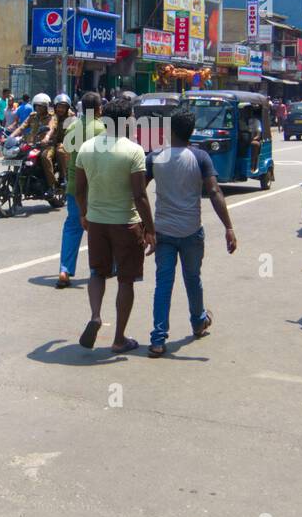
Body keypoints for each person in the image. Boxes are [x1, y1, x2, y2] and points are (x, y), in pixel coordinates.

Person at [145, 109, 238, 356]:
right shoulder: (200, 157)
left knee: (163, 284)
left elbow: (137, 191)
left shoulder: (155, 157)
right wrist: (228, 227)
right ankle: (198, 322)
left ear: (169, 130)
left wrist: (144, 226)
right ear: (191, 131)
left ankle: (157, 338)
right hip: (191, 232)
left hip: (162, 231)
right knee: (192, 279)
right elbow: (215, 192)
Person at [74, 99, 156, 353]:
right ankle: (119, 338)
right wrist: (151, 229)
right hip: (126, 223)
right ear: (127, 120)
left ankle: (96, 315)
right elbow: (140, 196)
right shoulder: (133, 151)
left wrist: (84, 214)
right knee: (126, 280)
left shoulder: (86, 148)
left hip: (97, 222)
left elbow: (79, 189)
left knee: (97, 272)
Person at [57, 92, 105, 288]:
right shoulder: (102, 128)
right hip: (96, 185)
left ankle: (64, 270)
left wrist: (70, 175)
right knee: (98, 227)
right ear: (99, 108)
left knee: (72, 226)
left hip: (74, 183)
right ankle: (98, 269)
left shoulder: (73, 125)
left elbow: (66, 154)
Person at [11, 94, 59, 188]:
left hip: (47, 146)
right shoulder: (32, 116)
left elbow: (51, 128)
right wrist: (11, 137)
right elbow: (22, 127)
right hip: (31, 146)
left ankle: (52, 185)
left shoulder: (52, 117)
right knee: (16, 156)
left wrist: (46, 138)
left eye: (41, 106)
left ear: (46, 106)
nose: (38, 107)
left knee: (45, 157)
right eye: (36, 105)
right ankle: (18, 188)